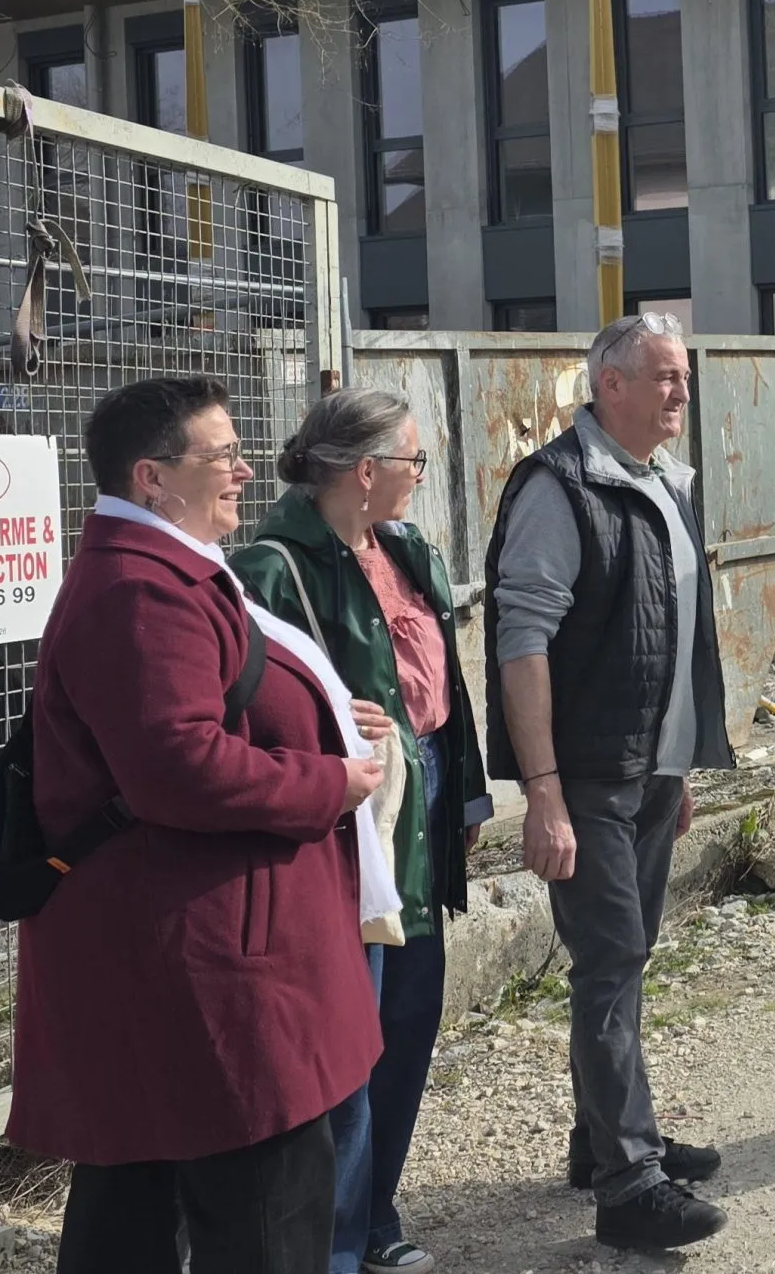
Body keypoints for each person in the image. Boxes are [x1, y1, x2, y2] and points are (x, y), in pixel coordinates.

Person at [10, 377, 392, 1274]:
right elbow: (177, 765)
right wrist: (325, 780)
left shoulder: (168, 572)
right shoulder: (140, 592)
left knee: (140, 1203)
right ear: (151, 478)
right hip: (209, 967)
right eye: (221, 456)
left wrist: (328, 718)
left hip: (205, 949)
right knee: (260, 1213)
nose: (246, 470)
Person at [483, 313, 733, 1252]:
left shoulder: (670, 483)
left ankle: (602, 1140)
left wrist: (684, 758)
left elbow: (674, 635)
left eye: (684, 377)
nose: (679, 392)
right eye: (662, 377)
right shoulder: (558, 487)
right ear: (609, 387)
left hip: (651, 774)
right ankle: (630, 1185)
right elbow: (522, 643)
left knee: (628, 958)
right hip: (586, 777)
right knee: (609, 963)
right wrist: (542, 788)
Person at [233, 390, 494, 1274]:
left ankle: (375, 1214)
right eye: (414, 461)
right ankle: (333, 1247)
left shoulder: (408, 549)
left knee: (411, 1016)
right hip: (344, 824)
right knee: (349, 1037)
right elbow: (246, 713)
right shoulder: (271, 568)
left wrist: (463, 805)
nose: (422, 477)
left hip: (416, 808)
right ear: (366, 470)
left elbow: (441, 688)